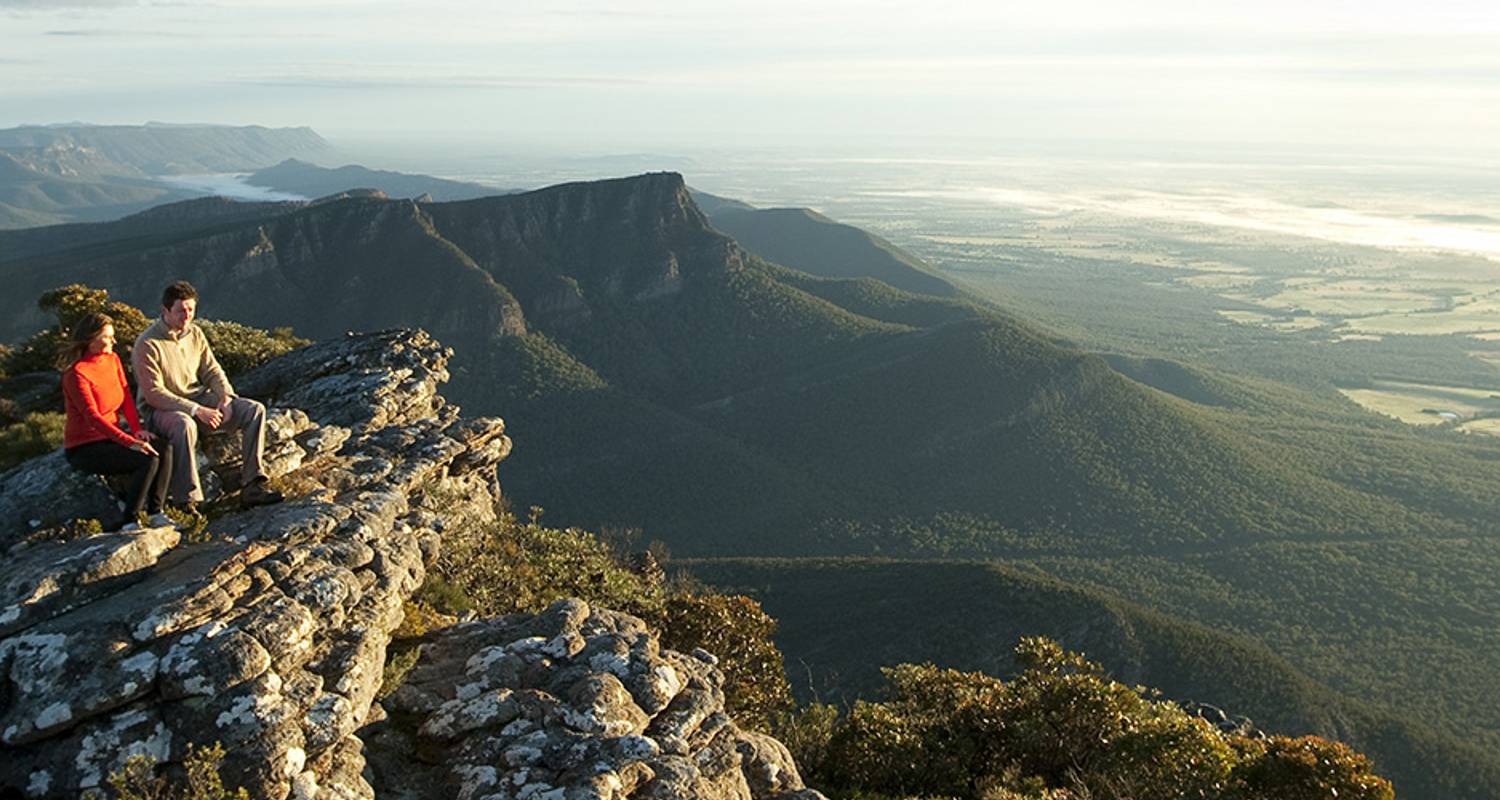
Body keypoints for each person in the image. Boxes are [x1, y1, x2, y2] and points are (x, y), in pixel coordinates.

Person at [133, 281, 282, 510]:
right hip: (162, 410)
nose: (187, 316)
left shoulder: (195, 333)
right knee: (184, 425)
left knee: (254, 411)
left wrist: (226, 397)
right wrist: (197, 410)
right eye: (180, 310)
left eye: (191, 309)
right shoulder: (147, 344)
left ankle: (253, 485)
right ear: (165, 310)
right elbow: (154, 394)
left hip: (198, 397)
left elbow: (211, 370)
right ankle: (186, 500)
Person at [60, 312, 174, 530]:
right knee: (147, 459)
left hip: (111, 437)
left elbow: (126, 398)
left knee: (164, 448)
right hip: (85, 448)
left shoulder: (113, 360)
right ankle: (130, 520)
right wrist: (130, 443)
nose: (114, 340)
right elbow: (93, 417)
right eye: (107, 337)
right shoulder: (76, 374)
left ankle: (156, 513)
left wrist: (137, 430)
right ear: (91, 340)